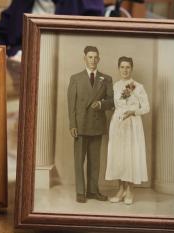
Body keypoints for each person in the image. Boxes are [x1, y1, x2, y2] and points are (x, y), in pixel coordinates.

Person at [67, 46, 114, 203]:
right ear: (84, 59)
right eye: (90, 57)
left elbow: (112, 101)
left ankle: (93, 191)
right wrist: (72, 124)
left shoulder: (106, 78)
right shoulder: (76, 78)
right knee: (79, 160)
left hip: (97, 124)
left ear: (99, 59)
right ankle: (80, 191)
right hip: (80, 125)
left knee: (95, 161)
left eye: (95, 57)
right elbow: (71, 104)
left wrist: (101, 104)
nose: (93, 60)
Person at [105, 56, 150, 205]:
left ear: (132, 68)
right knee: (118, 156)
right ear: (119, 68)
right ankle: (121, 190)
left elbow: (146, 108)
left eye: (128, 67)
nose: (125, 70)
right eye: (122, 67)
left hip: (132, 125)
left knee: (130, 156)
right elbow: (114, 104)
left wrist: (133, 112)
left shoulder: (138, 86)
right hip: (117, 124)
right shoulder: (115, 86)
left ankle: (130, 190)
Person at [0, 0, 105, 57]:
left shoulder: (87, 3)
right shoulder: (22, 2)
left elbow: (93, 40)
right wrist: (3, 58)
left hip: (63, 68)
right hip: (20, 67)